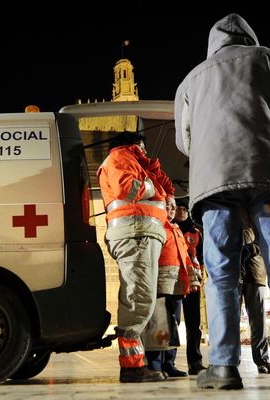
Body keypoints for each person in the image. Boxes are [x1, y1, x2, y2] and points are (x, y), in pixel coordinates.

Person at [174, 13, 270, 390]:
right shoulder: (265, 58)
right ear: (248, 38)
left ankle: (224, 366)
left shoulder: (191, 79)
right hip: (265, 173)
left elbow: (185, 141)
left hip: (215, 185)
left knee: (222, 272)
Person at [97, 132, 169, 383]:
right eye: (143, 149)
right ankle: (131, 367)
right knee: (138, 297)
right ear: (134, 145)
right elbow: (128, 187)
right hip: (135, 234)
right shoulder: (120, 156)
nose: (146, 154)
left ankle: (136, 364)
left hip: (141, 234)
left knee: (142, 297)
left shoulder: (129, 160)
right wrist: (153, 188)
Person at [145, 196, 200, 378]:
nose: (171, 208)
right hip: (161, 283)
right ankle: (155, 365)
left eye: (173, 206)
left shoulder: (176, 229)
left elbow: (186, 258)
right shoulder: (156, 226)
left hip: (177, 284)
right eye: (168, 205)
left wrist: (191, 280)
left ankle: (169, 363)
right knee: (159, 324)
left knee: (173, 324)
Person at [174, 197, 206, 375]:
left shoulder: (196, 232)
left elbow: (201, 257)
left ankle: (195, 362)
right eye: (177, 207)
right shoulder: (168, 228)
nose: (181, 211)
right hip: (173, 282)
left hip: (193, 283)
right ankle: (167, 362)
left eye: (184, 208)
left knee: (194, 324)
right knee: (172, 322)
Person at [240, 226, 270, 374]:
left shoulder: (257, 216)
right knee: (229, 320)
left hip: (255, 273)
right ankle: (230, 362)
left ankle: (262, 359)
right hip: (233, 275)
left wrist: (251, 248)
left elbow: (266, 240)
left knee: (258, 320)